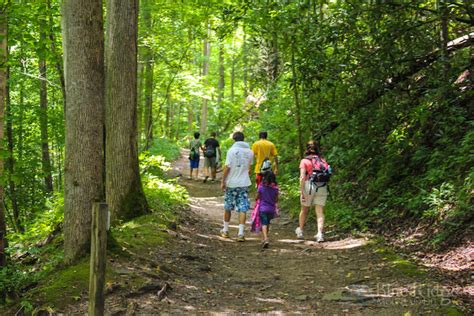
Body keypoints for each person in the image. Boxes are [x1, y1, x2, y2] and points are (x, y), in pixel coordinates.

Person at [220, 132, 254, 242]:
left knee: (228, 206)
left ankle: (225, 231)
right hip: (244, 183)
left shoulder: (231, 151)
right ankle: (241, 233)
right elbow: (249, 168)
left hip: (231, 183)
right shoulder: (250, 152)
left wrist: (223, 181)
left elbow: (227, 167)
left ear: (234, 139)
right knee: (243, 208)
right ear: (243, 139)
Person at [295, 140, 331, 242]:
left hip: (309, 185)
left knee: (304, 210)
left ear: (307, 149)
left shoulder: (304, 161)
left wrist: (302, 191)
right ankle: (319, 234)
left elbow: (302, 177)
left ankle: (300, 231)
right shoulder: (323, 160)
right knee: (320, 211)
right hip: (322, 186)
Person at [251, 170, 279, 248]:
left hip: (263, 208)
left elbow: (257, 197)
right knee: (267, 223)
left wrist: (258, 198)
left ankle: (266, 239)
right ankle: (264, 238)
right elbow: (276, 200)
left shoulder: (261, 187)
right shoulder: (275, 188)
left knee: (263, 223)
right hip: (271, 209)